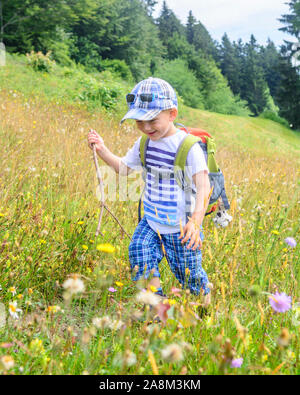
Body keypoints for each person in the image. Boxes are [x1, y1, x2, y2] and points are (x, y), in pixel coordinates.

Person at [88, 77, 211, 305]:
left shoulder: (187, 146)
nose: (145, 127)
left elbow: (204, 186)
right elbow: (124, 169)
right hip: (151, 220)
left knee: (188, 274)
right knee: (139, 252)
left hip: (181, 225)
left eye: (152, 120)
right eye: (139, 121)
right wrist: (102, 149)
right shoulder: (144, 143)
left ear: (172, 114)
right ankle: (156, 305)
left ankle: (204, 303)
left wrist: (195, 221)